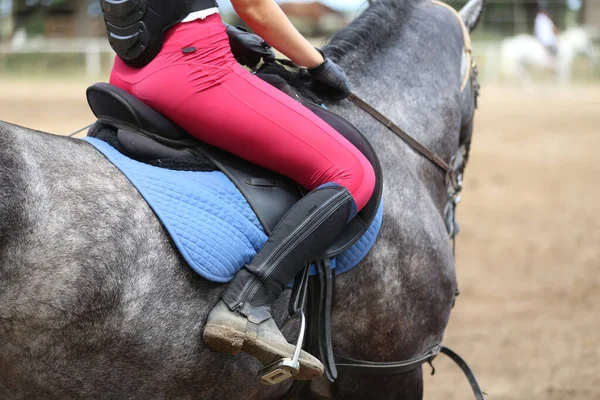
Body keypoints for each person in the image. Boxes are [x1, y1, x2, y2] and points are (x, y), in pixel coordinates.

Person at [100, 0, 376, 381]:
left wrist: (222, 30)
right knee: (352, 174)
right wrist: (317, 63)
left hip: (128, 69)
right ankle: (248, 302)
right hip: (194, 70)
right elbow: (254, 6)